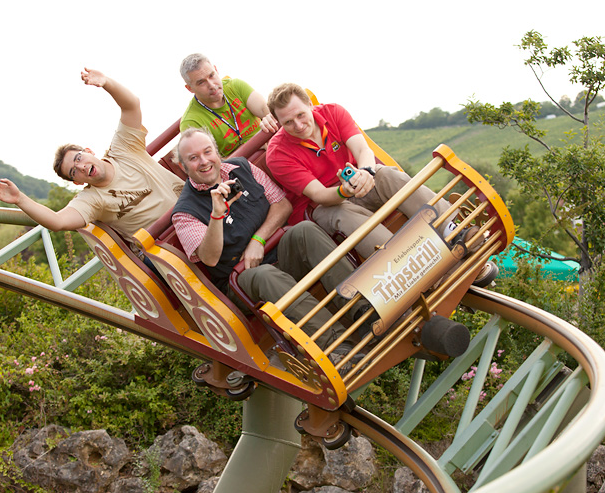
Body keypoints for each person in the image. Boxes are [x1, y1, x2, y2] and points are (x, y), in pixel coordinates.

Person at [170, 127, 365, 371]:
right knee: (265, 275)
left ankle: (364, 307)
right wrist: (216, 215)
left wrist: (258, 240)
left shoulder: (242, 167)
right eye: (193, 158)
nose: (204, 161)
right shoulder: (184, 212)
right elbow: (209, 258)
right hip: (243, 279)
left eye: (207, 152)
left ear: (216, 152)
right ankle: (337, 345)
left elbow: (281, 205)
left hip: (275, 251)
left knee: (305, 230)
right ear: (183, 167)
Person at [265, 83, 456, 261]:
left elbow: (363, 150)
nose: (298, 126)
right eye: (288, 122)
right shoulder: (277, 153)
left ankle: (452, 228)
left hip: (358, 183)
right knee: (340, 212)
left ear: (309, 105)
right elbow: (319, 194)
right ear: (279, 123)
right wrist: (344, 191)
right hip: (324, 206)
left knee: (385, 174)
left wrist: (366, 172)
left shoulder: (333, 112)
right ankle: (405, 261)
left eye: (301, 115)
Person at [0, 68, 183, 240]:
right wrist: (20, 199)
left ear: (89, 151)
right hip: (167, 246)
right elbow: (58, 221)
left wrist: (106, 83)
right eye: (74, 172)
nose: (81, 167)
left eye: (78, 158)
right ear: (77, 182)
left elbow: (131, 105)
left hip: (191, 208)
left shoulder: (123, 149)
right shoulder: (92, 199)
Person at [179, 53, 278, 156]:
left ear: (216, 70)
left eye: (211, 75)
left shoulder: (234, 86)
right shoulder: (191, 122)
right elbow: (208, 161)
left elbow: (265, 110)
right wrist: (252, 146)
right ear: (190, 88)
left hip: (271, 148)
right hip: (239, 164)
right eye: (201, 82)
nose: (212, 85)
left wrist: (269, 119)